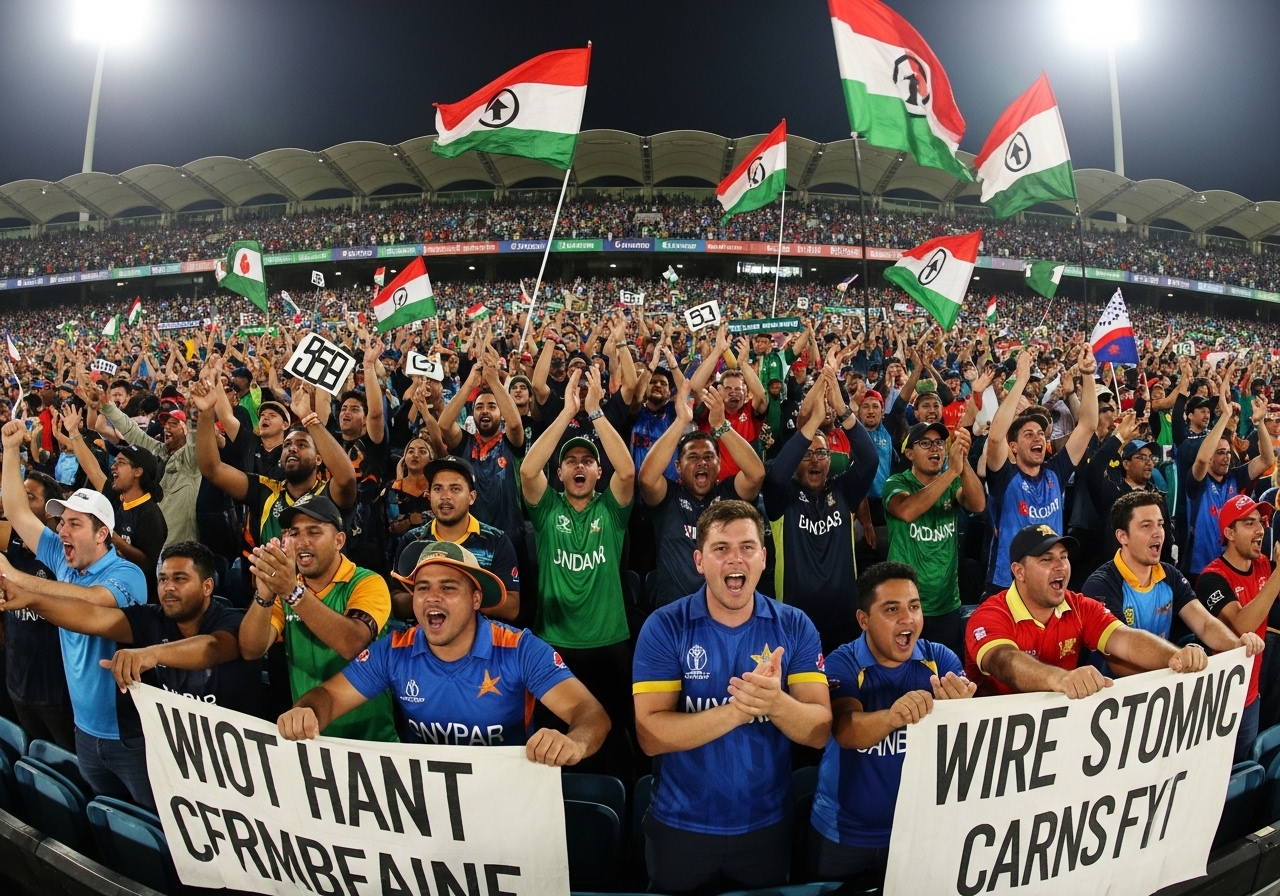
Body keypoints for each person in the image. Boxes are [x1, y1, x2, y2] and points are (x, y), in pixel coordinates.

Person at [633, 500, 830, 894]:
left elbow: (819, 731)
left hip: (767, 827)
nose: (735, 559)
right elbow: (650, 735)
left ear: (763, 558)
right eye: (721, 548)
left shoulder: (796, 626)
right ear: (699, 561)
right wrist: (739, 711)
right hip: (680, 826)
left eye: (747, 547)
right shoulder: (664, 626)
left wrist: (776, 704)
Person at [277, 541, 611, 764]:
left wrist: (574, 743)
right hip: (428, 809)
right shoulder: (395, 650)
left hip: (504, 805)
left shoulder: (520, 648)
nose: (432, 597)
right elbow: (330, 696)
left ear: (476, 599)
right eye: (422, 588)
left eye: (448, 587)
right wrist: (307, 711)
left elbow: (591, 713)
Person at [0, 541, 262, 809]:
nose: (168, 587)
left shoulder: (234, 621)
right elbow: (91, 616)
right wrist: (32, 599)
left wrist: (151, 654)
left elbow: (213, 648)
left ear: (207, 586)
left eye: (180, 578)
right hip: (180, 760)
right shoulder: (152, 619)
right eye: (163, 579)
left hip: (236, 766)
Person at [0, 420, 148, 804]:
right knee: (107, 820)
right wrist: (11, 450)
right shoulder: (63, 558)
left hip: (128, 733)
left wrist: (20, 581)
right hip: (84, 728)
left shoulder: (127, 574)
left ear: (101, 534)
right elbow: (17, 512)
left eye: (75, 524)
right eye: (62, 522)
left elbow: (90, 602)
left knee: (150, 823)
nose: (62, 531)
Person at [808, 562, 974, 883]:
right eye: (892, 609)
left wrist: (962, 713)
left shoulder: (941, 659)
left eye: (914, 606)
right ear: (864, 620)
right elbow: (845, 729)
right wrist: (894, 716)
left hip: (918, 833)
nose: (907, 618)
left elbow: (965, 748)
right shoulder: (842, 662)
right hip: (844, 834)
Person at [520, 367, 635, 777]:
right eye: (570, 462)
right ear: (560, 473)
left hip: (609, 643)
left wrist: (595, 411)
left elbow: (628, 472)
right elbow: (527, 471)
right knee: (553, 751)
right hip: (554, 645)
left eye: (588, 461)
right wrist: (567, 411)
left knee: (615, 742)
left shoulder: (612, 510)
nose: (579, 466)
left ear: (598, 473)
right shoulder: (548, 508)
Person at [965, 524, 1210, 698]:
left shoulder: (1078, 606)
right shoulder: (990, 615)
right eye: (1046, 559)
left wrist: (1176, 657)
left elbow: (1127, 639)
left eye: (1063, 557)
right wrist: (1060, 679)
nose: (1060, 566)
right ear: (1019, 572)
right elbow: (1003, 662)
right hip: (997, 743)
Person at [238, 495, 397, 742]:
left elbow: (352, 643)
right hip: (310, 738)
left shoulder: (367, 582)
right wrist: (264, 595)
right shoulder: (287, 588)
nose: (302, 541)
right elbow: (251, 650)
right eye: (294, 533)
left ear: (339, 540)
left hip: (371, 739)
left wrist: (292, 592)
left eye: (314, 532)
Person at [1083, 491, 1264, 678]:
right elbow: (1118, 663)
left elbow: (1205, 624)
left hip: (1164, 686)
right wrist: (1177, 661)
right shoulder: (1100, 585)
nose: (1158, 533)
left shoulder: (1170, 575)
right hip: (1115, 691)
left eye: (1160, 524)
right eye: (1146, 526)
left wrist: (1236, 645)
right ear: (1122, 536)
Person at [763, 365, 877, 651]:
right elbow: (776, 475)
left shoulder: (844, 491)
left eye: (821, 453)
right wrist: (813, 422)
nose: (815, 460)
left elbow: (869, 460)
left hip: (844, 618)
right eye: (806, 454)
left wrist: (843, 411)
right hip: (794, 621)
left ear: (830, 459)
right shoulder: (782, 497)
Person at [639, 380, 765, 608]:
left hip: (724, 613)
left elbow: (756, 475)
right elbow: (646, 478)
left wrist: (721, 425)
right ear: (678, 467)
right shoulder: (668, 497)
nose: (702, 463)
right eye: (693, 457)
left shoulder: (728, 493)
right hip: (675, 615)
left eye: (709, 457)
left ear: (719, 464)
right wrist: (681, 421)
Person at [983, 349, 1099, 595]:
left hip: (1049, 582)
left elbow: (1088, 425)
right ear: (1013, 447)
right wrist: (1021, 380)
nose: (1037, 437)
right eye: (1028, 434)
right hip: (1006, 585)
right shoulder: (1004, 477)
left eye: (1040, 433)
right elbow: (995, 438)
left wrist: (1088, 375)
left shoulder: (1055, 472)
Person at [883, 422, 984, 654]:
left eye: (939, 442)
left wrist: (963, 462)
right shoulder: (896, 483)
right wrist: (951, 472)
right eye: (925, 443)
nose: (935, 448)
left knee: (945, 670)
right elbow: (907, 511)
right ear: (910, 453)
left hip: (947, 603)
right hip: (904, 605)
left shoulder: (953, 482)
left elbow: (978, 504)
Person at [1196, 493, 1280, 762]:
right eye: (1249, 523)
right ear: (1229, 533)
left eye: (1261, 522)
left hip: (1251, 694)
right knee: (1218, 770)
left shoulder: (1264, 565)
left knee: (1245, 768)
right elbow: (1243, 624)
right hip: (1220, 698)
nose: (1260, 530)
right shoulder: (1211, 578)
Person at [391, 456, 520, 623]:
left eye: (455, 489)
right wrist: (434, 599)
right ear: (429, 495)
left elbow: (512, 607)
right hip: (423, 634)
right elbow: (396, 600)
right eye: (438, 489)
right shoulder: (412, 540)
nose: (445, 496)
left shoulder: (496, 541)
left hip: (480, 636)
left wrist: (455, 599)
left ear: (472, 497)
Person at [58, 408, 167, 602]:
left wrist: (114, 538)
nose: (113, 466)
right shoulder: (117, 498)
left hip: (133, 599)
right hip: (105, 585)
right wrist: (74, 432)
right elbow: (92, 469)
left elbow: (147, 564)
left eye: (121, 463)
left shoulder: (151, 515)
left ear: (138, 472)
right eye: (115, 461)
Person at [1, 470, 74, 750]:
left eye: (29, 497)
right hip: (17, 681)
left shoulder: (65, 555)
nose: (19, 501)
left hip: (55, 690)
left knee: (66, 763)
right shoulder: (10, 539)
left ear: (50, 513)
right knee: (31, 761)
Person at [88, 383, 200, 544]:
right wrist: (107, 406)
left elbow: (196, 439)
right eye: (165, 423)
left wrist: (195, 412)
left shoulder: (191, 460)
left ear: (185, 430)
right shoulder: (158, 451)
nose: (166, 427)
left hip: (178, 546)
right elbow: (131, 431)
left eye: (174, 424)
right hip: (151, 544)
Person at [1185, 391, 1272, 578]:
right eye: (1220, 453)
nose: (1226, 457)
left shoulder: (1236, 477)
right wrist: (1225, 416)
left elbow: (1267, 459)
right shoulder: (1197, 481)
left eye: (1228, 452)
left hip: (1231, 567)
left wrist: (1260, 423)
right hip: (1198, 568)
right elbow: (1201, 459)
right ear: (1210, 456)